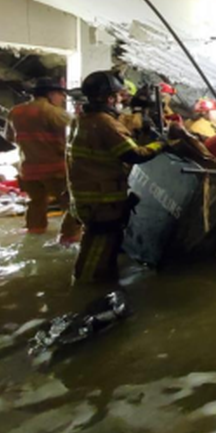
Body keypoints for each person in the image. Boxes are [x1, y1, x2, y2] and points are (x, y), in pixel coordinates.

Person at [67, 71, 174, 283]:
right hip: (101, 199)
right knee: (97, 249)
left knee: (99, 244)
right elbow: (133, 155)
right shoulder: (105, 123)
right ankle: (83, 292)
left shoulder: (82, 120)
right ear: (109, 98)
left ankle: (100, 283)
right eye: (118, 96)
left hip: (86, 196)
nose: (121, 100)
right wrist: (160, 144)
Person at [3, 77, 82, 243]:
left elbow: (9, 137)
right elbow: (77, 135)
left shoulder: (15, 112)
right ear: (51, 94)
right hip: (56, 171)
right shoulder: (54, 112)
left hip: (29, 170)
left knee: (36, 204)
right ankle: (68, 239)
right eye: (61, 95)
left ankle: (34, 238)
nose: (62, 99)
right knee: (73, 206)